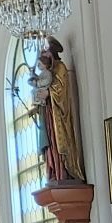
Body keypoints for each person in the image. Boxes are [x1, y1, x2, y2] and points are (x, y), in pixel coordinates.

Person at [30, 36, 85, 183]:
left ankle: (63, 171)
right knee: (50, 142)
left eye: (46, 51)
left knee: (58, 141)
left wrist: (49, 93)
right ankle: (53, 171)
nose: (44, 54)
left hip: (58, 113)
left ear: (52, 52)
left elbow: (61, 88)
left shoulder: (60, 67)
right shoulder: (47, 71)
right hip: (49, 112)